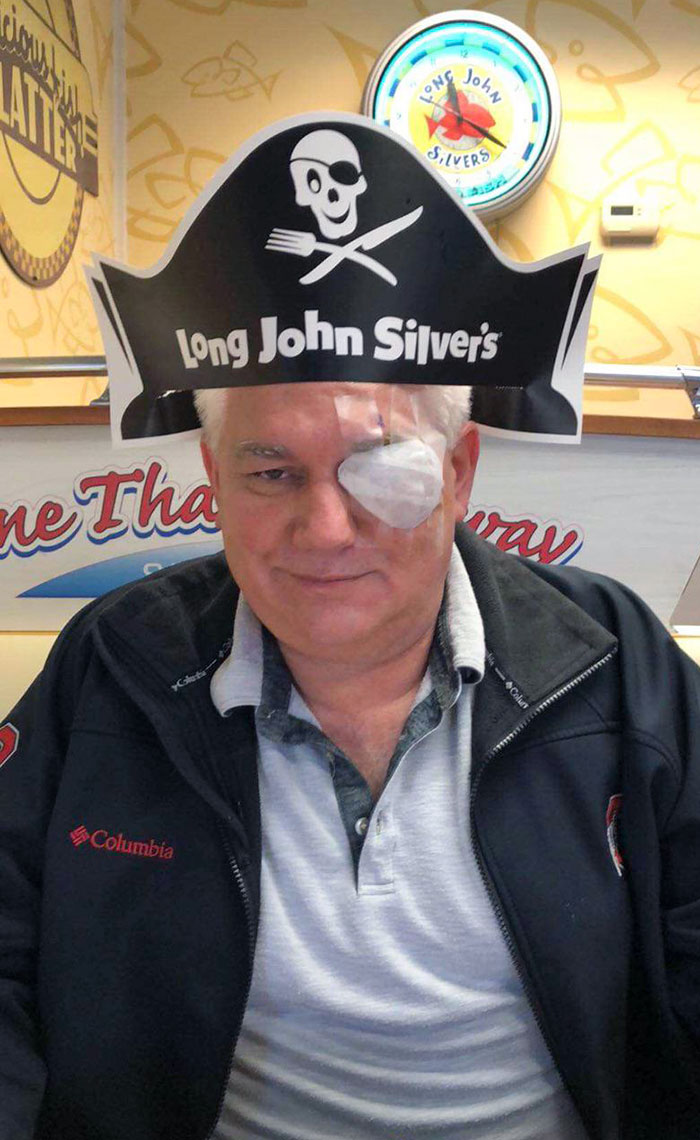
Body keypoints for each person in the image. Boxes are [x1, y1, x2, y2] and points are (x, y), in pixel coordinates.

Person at [1, 376, 699, 1140]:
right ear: (215, 480)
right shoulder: (115, 660)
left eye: (380, 466)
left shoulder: (614, 657)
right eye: (272, 474)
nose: (327, 529)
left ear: (458, 473)